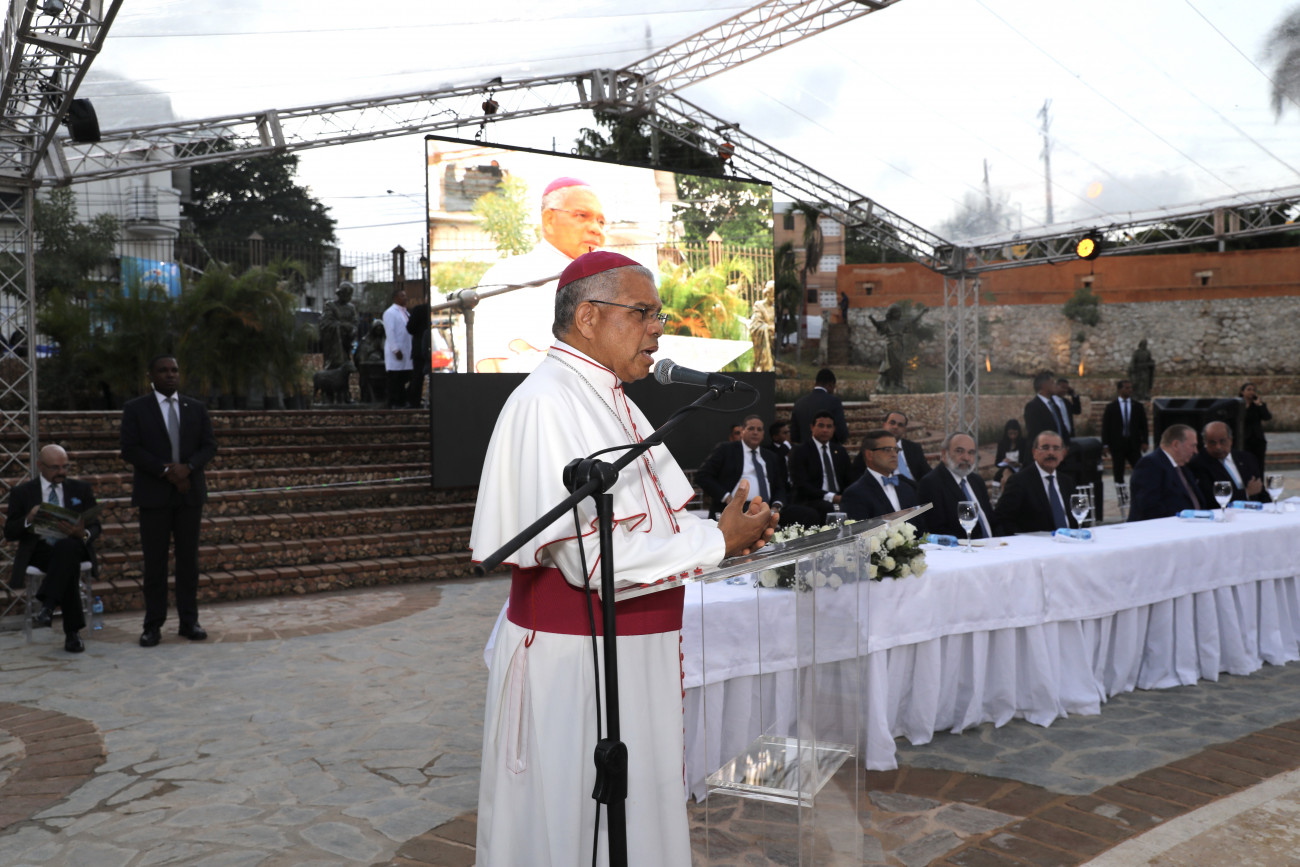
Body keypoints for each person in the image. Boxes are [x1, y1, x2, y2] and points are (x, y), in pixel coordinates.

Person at [471, 251, 775, 866]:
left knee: (639, 813)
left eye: (658, 315)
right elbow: (588, 558)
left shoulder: (610, 396)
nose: (658, 329)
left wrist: (726, 533)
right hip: (578, 662)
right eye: (644, 313)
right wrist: (716, 542)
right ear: (588, 316)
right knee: (575, 823)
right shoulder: (548, 401)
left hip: (630, 653)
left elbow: (649, 523)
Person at [120, 355, 218, 647]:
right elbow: (130, 449)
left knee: (188, 562)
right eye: (163, 370)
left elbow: (209, 445)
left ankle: (189, 621)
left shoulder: (195, 408)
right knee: (155, 564)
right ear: (151, 375)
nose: (170, 374)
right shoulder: (136, 409)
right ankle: (153, 625)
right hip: (154, 496)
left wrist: (189, 467)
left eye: (174, 370)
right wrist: (167, 472)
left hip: (189, 495)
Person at [470, 177, 608, 373]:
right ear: (549, 220)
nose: (596, 229)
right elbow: (490, 366)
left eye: (601, 222)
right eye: (581, 215)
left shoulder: (611, 284)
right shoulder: (509, 275)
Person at [3, 445, 102, 653]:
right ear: (40, 466)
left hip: (74, 544)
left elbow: (95, 527)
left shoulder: (81, 489)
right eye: (55, 467)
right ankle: (72, 633)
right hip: (40, 549)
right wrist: (29, 518)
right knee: (67, 564)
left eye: (65, 467)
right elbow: (10, 532)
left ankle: (48, 603)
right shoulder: (23, 492)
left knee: (67, 548)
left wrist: (82, 533)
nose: (61, 472)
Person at [695, 415, 817, 528]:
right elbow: (702, 476)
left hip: (768, 508)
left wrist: (776, 506)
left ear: (763, 434)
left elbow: (780, 487)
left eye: (759, 429)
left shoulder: (770, 457)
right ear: (742, 431)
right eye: (751, 428)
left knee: (808, 514)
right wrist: (727, 497)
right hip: (737, 507)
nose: (755, 432)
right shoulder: (726, 450)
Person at [992, 431, 1078, 535]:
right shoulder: (1019, 481)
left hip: (1070, 541)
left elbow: (1076, 517)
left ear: (1062, 454)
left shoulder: (1067, 482)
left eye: (1056, 448)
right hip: (1036, 543)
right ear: (1034, 452)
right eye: (1045, 448)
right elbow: (1002, 519)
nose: (1051, 453)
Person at [917, 432, 994, 539]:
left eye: (971, 453)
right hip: (963, 547)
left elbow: (991, 519)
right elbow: (936, 530)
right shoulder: (931, 483)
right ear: (944, 454)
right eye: (959, 451)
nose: (966, 458)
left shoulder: (977, 481)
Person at [1127, 423, 1201, 521]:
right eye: (1193, 446)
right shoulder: (1150, 465)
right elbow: (1149, 507)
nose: (1196, 451)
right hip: (1164, 527)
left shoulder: (1182, 466)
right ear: (1176, 445)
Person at [841, 428, 919, 521]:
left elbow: (919, 526)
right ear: (869, 455)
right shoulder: (855, 494)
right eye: (887, 449)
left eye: (896, 449)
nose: (894, 454)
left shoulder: (907, 489)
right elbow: (859, 529)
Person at [788, 411, 852, 521]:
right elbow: (801, 484)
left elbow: (849, 478)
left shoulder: (840, 451)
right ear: (812, 427)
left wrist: (847, 495)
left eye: (829, 426)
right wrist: (832, 497)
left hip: (839, 497)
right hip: (812, 499)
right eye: (821, 426)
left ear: (834, 429)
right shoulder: (800, 451)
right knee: (828, 508)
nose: (825, 430)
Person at [1189, 421, 1269, 505]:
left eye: (1222, 441)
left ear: (1230, 440)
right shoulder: (1198, 464)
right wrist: (1246, 492)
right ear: (1205, 443)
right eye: (1212, 443)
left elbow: (1259, 490)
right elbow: (1212, 497)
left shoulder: (1247, 459)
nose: (1218, 447)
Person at [1101, 379, 1148, 484]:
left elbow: (1143, 425)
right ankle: (1121, 492)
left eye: (1130, 388)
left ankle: (1139, 489)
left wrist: (1145, 441)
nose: (1129, 390)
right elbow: (1106, 427)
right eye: (1126, 388)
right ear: (1119, 390)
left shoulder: (1137, 406)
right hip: (1117, 445)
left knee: (1140, 469)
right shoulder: (1111, 407)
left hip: (1134, 444)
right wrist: (1105, 445)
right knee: (1118, 471)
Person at [789, 367, 848, 445]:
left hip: (804, 450)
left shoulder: (799, 403)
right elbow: (842, 434)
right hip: (826, 449)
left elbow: (794, 436)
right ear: (831, 385)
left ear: (816, 383)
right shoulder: (834, 402)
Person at [382, 287, 413, 408]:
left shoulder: (406, 312)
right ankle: (393, 402)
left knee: (403, 378)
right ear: (395, 298)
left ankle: (402, 400)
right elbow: (390, 332)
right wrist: (395, 349)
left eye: (405, 296)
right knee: (394, 378)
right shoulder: (390, 313)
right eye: (402, 296)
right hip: (396, 351)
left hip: (406, 350)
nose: (405, 298)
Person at [1023, 370, 1069, 448]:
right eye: (1052, 382)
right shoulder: (1033, 407)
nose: (1055, 386)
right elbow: (1035, 434)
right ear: (1044, 385)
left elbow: (1062, 429)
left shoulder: (1054, 406)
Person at [319, 282, 358, 371]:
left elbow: (355, 322)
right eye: (346, 294)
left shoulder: (351, 308)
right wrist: (342, 325)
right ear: (340, 293)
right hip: (333, 339)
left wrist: (352, 330)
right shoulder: (330, 305)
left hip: (347, 339)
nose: (348, 297)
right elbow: (326, 322)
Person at [1240, 382, 1272, 474]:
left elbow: (1267, 417)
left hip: (1258, 439)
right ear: (1242, 392)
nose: (1251, 392)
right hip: (1244, 439)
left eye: (1253, 390)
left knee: (1259, 464)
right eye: (1249, 389)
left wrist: (1260, 405)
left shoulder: (1258, 405)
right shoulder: (1239, 405)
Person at [749, 284, 776, 372]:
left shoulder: (774, 308)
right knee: (763, 330)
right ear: (767, 293)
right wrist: (769, 327)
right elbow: (755, 324)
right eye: (772, 296)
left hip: (773, 336)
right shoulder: (759, 305)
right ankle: (766, 365)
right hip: (765, 335)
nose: (774, 299)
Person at [993, 419, 1024, 486]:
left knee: (1005, 479)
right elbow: (997, 462)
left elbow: (1027, 461)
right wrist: (1003, 461)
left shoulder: (1024, 443)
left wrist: (1018, 464)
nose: (1013, 436)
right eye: (1010, 434)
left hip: (1020, 470)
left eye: (1015, 433)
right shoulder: (1002, 444)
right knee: (1006, 473)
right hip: (1005, 469)